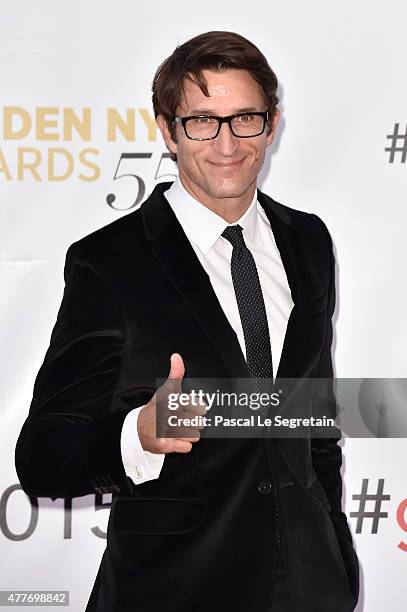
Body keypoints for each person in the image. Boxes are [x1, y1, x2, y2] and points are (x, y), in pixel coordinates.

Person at [15, 31, 359, 612]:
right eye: (202, 121)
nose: (226, 142)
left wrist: (336, 556)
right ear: (168, 132)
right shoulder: (110, 261)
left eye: (244, 117)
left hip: (310, 585)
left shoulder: (309, 242)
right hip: (175, 589)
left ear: (271, 125)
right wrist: (137, 437)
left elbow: (313, 416)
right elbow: (44, 456)